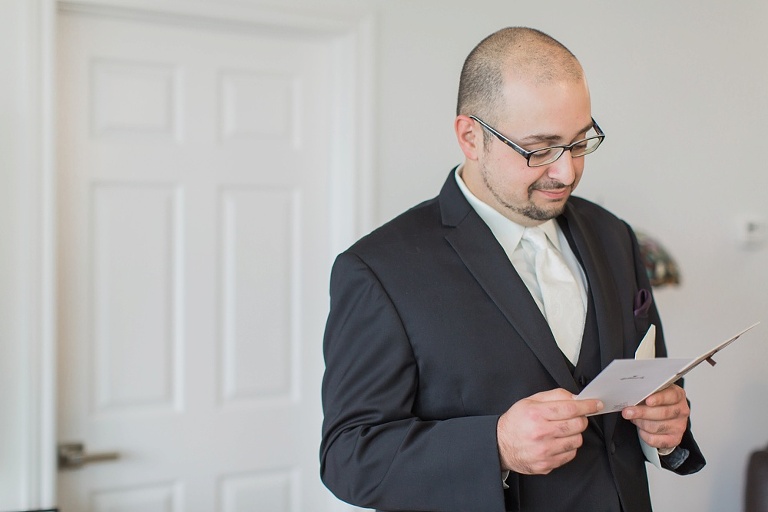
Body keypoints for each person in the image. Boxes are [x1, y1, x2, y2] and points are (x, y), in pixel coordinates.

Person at [320, 27, 705, 512]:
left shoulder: (614, 236)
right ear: (471, 137)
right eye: (539, 149)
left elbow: (649, 384)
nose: (566, 172)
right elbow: (348, 457)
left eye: (580, 143)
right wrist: (496, 446)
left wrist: (668, 426)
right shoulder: (378, 270)